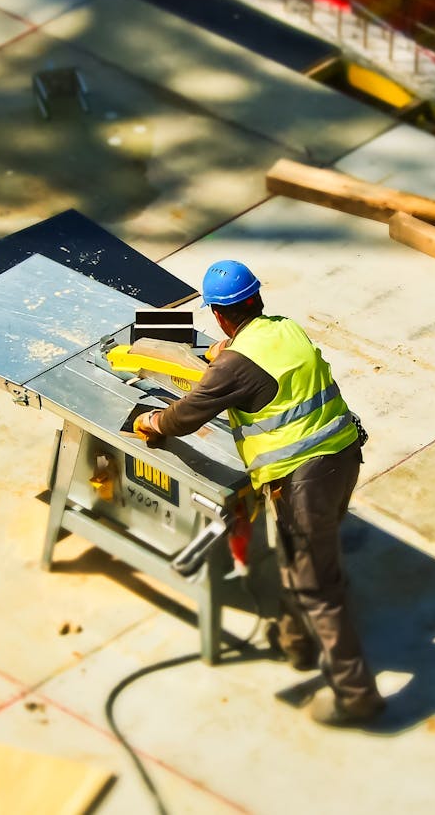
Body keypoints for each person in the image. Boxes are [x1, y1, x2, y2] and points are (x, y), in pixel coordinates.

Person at [133, 260, 385, 727]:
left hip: (302, 479)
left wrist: (152, 421)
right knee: (299, 555)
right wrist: (229, 353)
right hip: (343, 457)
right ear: (257, 299)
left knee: (317, 585)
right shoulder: (283, 329)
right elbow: (259, 363)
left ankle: (357, 695)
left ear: (218, 315)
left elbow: (185, 417)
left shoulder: (234, 365)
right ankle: (297, 642)